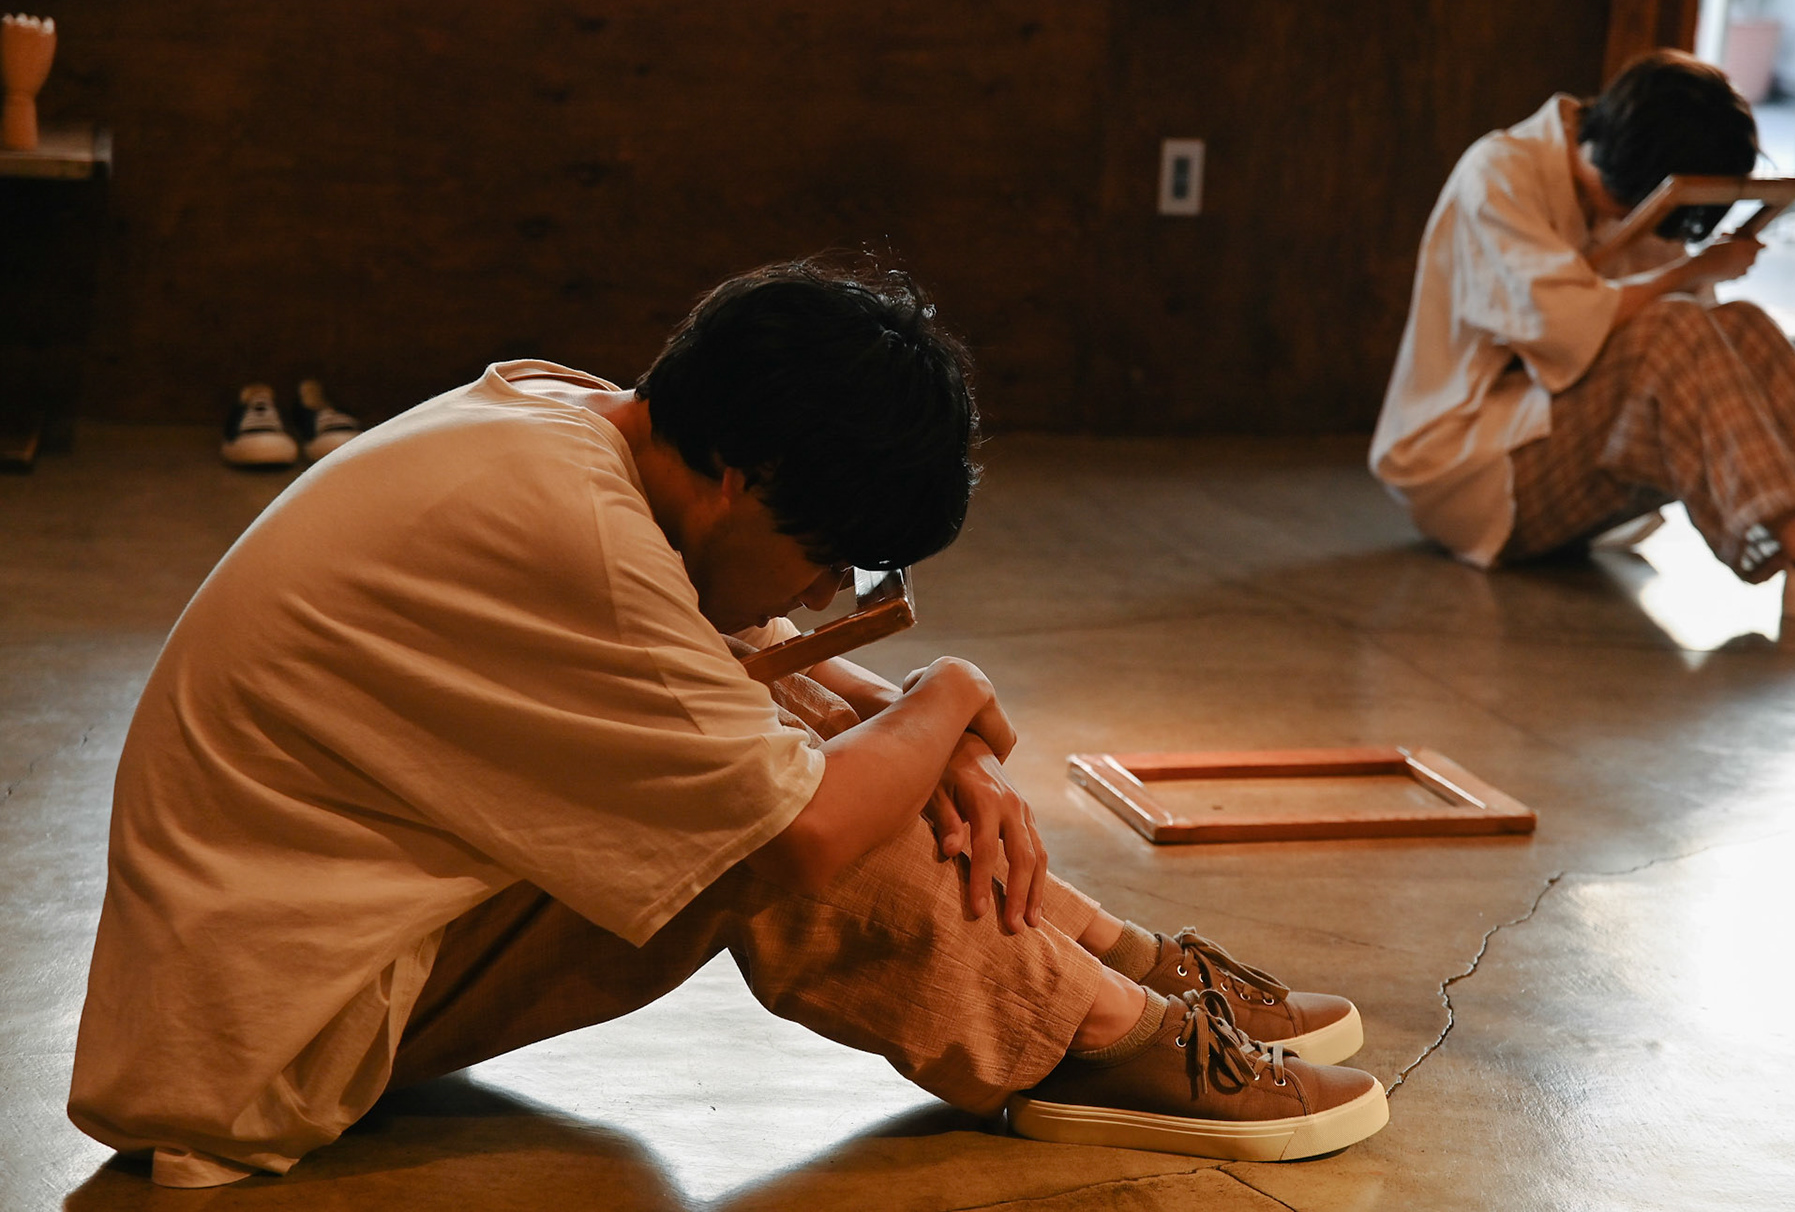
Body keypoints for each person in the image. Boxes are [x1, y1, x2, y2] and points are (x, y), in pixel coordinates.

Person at [68, 260, 1388, 1188]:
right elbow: (804, 834)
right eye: (827, 561)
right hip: (258, 1046)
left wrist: (922, 734)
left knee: (795, 725)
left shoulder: (569, 418)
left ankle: (1117, 969)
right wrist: (945, 697)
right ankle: (1094, 1039)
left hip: (270, 972)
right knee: (786, 821)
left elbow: (739, 664)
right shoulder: (583, 541)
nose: (824, 598)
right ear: (740, 483)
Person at [1370, 50, 1795, 642]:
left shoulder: (1635, 179)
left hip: (1557, 440)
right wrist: (1689, 271)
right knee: (1671, 328)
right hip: (1472, 472)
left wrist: (1697, 269)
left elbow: (1705, 350)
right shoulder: (1500, 174)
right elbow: (1565, 325)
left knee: (1742, 325)